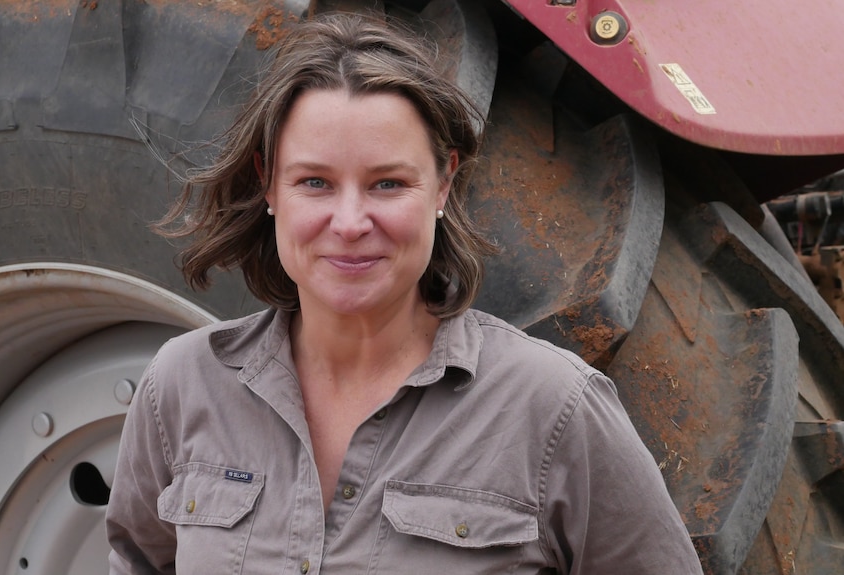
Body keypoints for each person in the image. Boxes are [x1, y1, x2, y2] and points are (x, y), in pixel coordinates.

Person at [106, 12, 704, 575]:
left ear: (443, 183)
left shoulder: (554, 409)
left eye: (387, 183)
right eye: (314, 182)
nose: (349, 222)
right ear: (268, 184)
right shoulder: (182, 386)